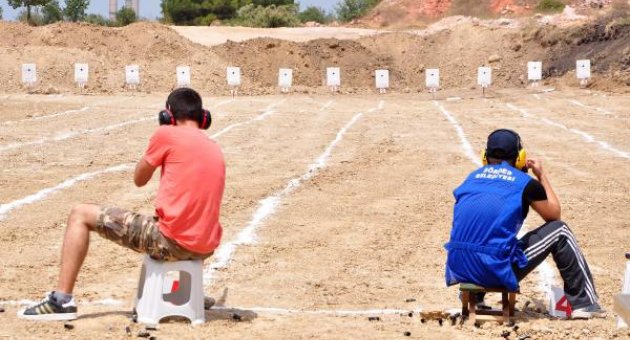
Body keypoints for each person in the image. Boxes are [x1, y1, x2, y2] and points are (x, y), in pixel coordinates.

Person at [19, 88, 225, 321]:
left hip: (171, 243)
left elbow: (139, 179)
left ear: (168, 116)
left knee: (80, 214)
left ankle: (61, 301)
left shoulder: (166, 134)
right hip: (205, 246)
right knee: (172, 218)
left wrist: (160, 145)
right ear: (203, 117)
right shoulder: (214, 146)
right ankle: (185, 292)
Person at [444, 129, 604, 319]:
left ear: (485, 156)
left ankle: (473, 293)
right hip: (494, 269)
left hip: (459, 268)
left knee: (483, 238)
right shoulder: (525, 183)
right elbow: (554, 215)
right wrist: (541, 176)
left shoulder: (471, 178)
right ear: (520, 157)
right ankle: (584, 302)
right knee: (561, 231)